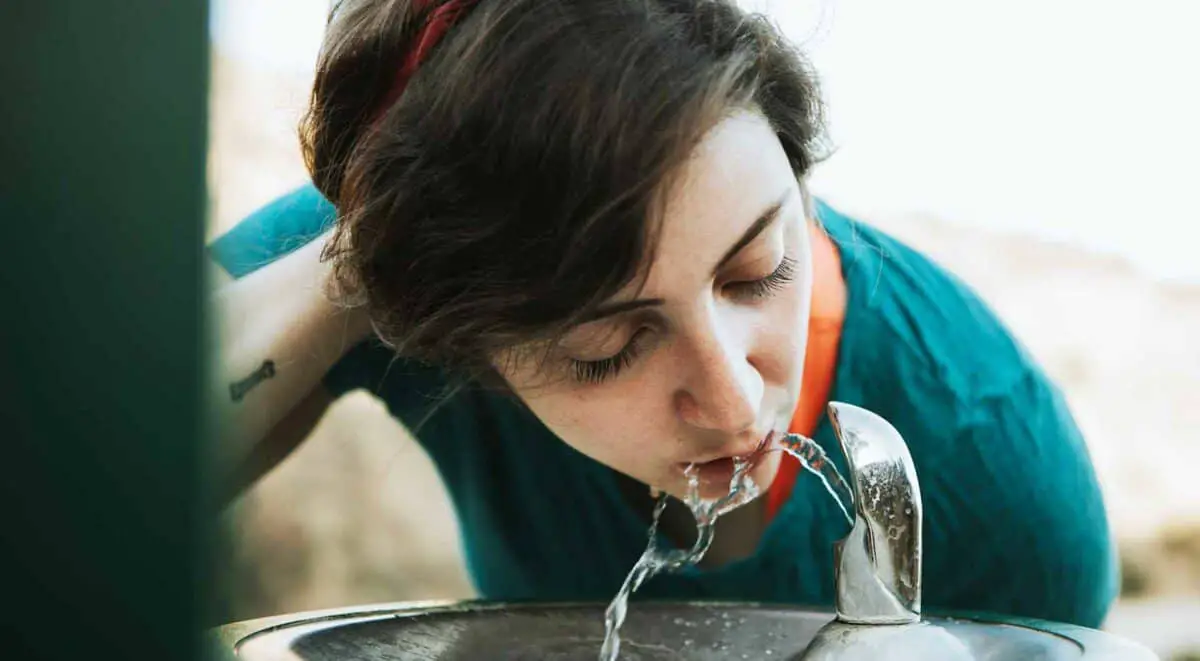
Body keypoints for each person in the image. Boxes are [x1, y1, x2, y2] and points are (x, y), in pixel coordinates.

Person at [209, 0, 1118, 628]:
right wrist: (362, 280)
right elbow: (96, 483)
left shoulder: (999, 486)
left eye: (760, 268)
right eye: (605, 348)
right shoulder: (377, 270)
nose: (731, 403)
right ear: (460, 347)